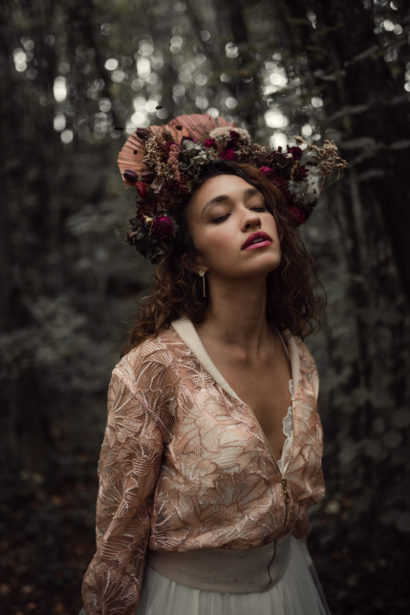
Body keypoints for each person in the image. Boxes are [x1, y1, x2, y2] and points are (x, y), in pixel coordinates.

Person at [80, 113, 346, 615]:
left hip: (290, 588)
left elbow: (294, 508)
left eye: (258, 205)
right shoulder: (153, 370)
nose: (251, 219)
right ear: (194, 258)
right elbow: (118, 536)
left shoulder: (299, 355)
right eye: (220, 215)